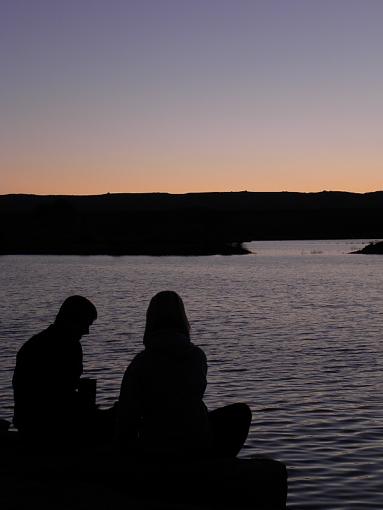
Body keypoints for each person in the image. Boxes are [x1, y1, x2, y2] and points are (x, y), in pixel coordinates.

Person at [117, 290, 252, 458]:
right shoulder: (196, 356)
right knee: (240, 413)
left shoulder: (141, 362)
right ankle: (219, 465)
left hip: (156, 443)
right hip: (196, 440)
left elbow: (128, 411)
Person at [12, 295, 109, 447]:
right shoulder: (38, 349)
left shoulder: (71, 346)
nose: (87, 332)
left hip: (51, 419)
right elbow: (51, 399)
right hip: (41, 427)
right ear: (71, 320)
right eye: (85, 324)